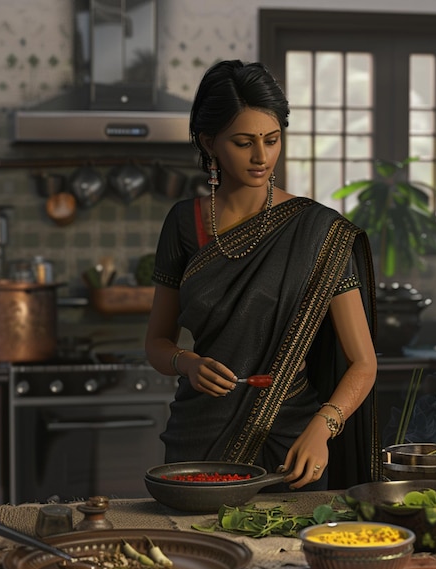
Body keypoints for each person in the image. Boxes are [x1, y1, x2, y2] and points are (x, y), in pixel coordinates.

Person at [145, 59, 380, 490]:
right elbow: (157, 343)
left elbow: (363, 363)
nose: (261, 157)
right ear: (209, 142)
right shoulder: (182, 224)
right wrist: (188, 363)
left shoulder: (318, 232)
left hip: (292, 445)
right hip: (198, 440)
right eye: (243, 142)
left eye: (272, 140)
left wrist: (322, 427)